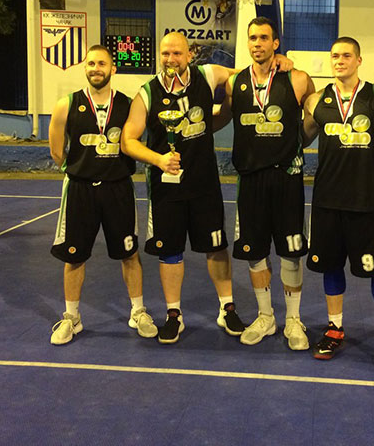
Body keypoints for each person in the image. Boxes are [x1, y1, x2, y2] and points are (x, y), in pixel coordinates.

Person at [121, 31, 248, 345]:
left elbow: (246, 77)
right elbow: (127, 141)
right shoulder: (147, 93)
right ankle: (173, 314)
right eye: (165, 53)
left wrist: (279, 63)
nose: (170, 59)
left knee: (216, 247)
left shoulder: (208, 75)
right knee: (170, 252)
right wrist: (159, 159)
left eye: (177, 53)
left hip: (204, 184)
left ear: (189, 55)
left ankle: (227, 308)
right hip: (167, 189)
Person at [302, 36, 374, 376]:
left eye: (347, 55)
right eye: (335, 55)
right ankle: (335, 329)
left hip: (367, 205)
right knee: (331, 268)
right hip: (326, 203)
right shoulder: (317, 101)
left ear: (359, 60)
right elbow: (300, 138)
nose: (340, 60)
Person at [48, 44, 157, 345]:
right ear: (85, 68)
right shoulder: (66, 104)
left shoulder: (128, 105)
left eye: (102, 64)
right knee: (74, 256)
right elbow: (56, 151)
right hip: (80, 190)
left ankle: (138, 311)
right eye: (91, 63)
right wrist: (80, 169)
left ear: (113, 69)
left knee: (129, 253)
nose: (96, 68)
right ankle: (72, 317)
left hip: (118, 188)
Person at [226, 17, 315, 350]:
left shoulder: (297, 79)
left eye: (264, 38)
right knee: (255, 253)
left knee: (291, 253)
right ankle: (266, 316)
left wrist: (298, 143)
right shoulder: (234, 82)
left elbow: (315, 117)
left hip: (287, 177)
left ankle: (293, 319)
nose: (257, 43)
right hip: (250, 180)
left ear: (276, 43)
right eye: (252, 38)